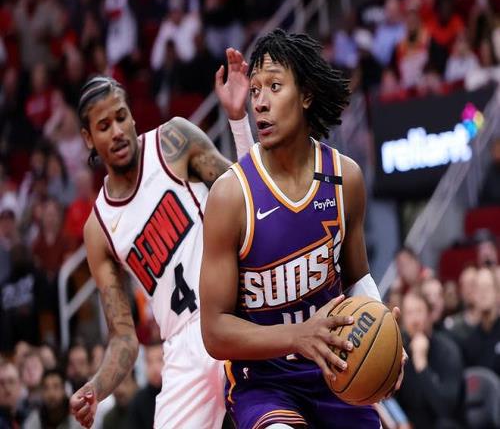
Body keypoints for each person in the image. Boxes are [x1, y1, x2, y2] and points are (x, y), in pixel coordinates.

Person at [200, 29, 405, 429]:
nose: (260, 101)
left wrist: (385, 338)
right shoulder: (230, 196)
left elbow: (357, 277)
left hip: (338, 370)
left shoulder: (345, 177)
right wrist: (298, 336)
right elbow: (215, 331)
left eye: (274, 86)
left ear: (306, 95)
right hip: (265, 382)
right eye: (255, 90)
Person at [69, 47, 253, 428]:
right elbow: (124, 338)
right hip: (182, 347)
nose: (117, 131)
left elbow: (251, 198)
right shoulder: (98, 229)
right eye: (104, 126)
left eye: (121, 117)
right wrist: (96, 388)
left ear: (133, 116)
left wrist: (237, 120)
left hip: (234, 308)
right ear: (88, 138)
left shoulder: (173, 141)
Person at [397, 290, 465, 429]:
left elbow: (446, 408)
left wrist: (421, 365)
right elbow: (391, 399)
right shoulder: (399, 351)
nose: (415, 320)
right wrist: (400, 420)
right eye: (409, 313)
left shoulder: (448, 350)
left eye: (419, 311)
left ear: (429, 315)